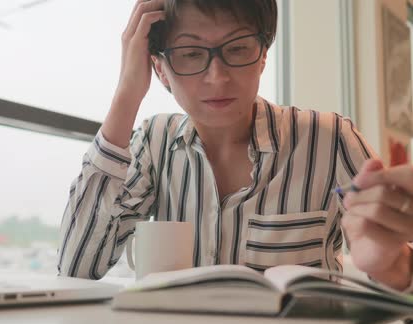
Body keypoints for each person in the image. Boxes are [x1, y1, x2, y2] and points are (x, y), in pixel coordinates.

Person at [56, 0, 413, 291]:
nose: (218, 77)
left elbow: (395, 259)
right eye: (191, 54)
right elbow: (76, 266)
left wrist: (393, 266)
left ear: (263, 56)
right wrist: (127, 93)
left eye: (238, 48)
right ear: (161, 69)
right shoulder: (154, 142)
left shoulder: (331, 139)